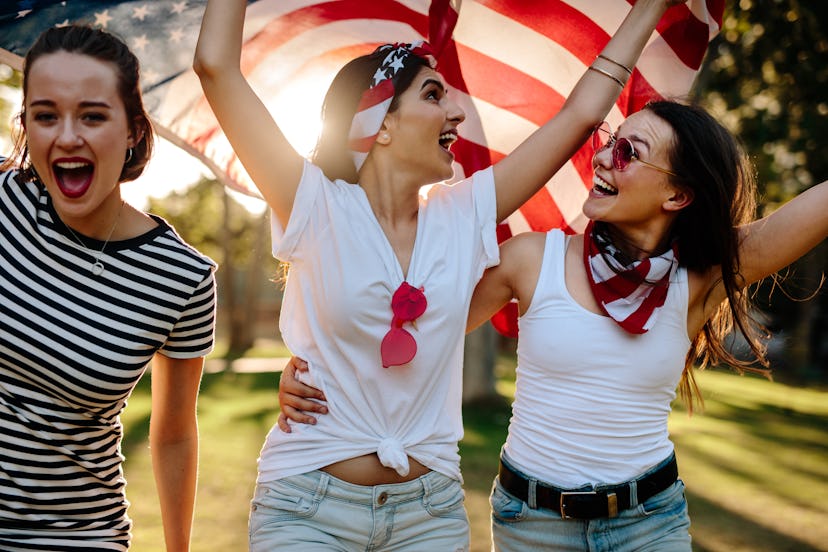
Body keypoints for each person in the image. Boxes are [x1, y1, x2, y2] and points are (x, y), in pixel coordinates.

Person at [194, 1, 684, 550]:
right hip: (308, 508)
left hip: (428, 515)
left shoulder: (464, 213)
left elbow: (580, 115)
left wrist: (652, 7)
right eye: (433, 95)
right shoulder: (313, 204)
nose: (457, 113)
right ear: (379, 124)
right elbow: (216, 67)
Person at [282, 100, 828, 550]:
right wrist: (316, 363)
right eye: (609, 141)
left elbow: (803, 216)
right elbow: (409, 330)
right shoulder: (528, 260)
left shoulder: (698, 279)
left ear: (677, 195)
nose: (603, 159)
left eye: (628, 152)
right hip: (533, 525)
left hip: (650, 524)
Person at [0, 25, 217, 551]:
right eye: (46, 115)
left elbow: (173, 435)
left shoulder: (182, 277)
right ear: (25, 123)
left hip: (78, 535)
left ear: (134, 132)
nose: (67, 136)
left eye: (93, 116)